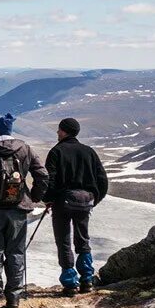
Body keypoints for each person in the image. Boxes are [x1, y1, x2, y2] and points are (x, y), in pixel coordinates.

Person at [0, 113, 48, 308]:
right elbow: (42, 174)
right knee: (16, 252)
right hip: (18, 209)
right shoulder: (25, 148)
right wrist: (35, 196)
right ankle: (13, 297)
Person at [44, 117, 109, 296]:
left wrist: (48, 199)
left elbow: (50, 179)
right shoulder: (89, 152)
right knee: (83, 240)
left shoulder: (56, 151)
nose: (57, 132)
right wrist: (94, 200)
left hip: (62, 203)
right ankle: (87, 279)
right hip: (84, 202)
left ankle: (69, 283)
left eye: (59, 130)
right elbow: (102, 179)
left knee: (64, 241)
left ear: (65, 131)